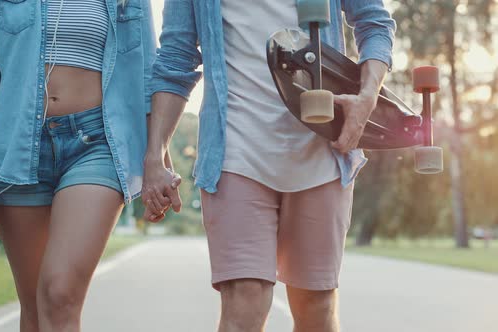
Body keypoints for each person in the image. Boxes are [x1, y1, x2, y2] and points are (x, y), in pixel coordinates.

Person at [143, 1, 396, 331]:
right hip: (235, 150)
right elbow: (176, 56)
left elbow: (374, 23)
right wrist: (155, 155)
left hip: (322, 150)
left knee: (316, 308)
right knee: (244, 303)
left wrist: (367, 96)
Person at [0, 0, 159, 330]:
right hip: (16, 148)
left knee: (60, 293)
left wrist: (157, 158)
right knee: (34, 305)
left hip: (97, 143)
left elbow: (148, 71)